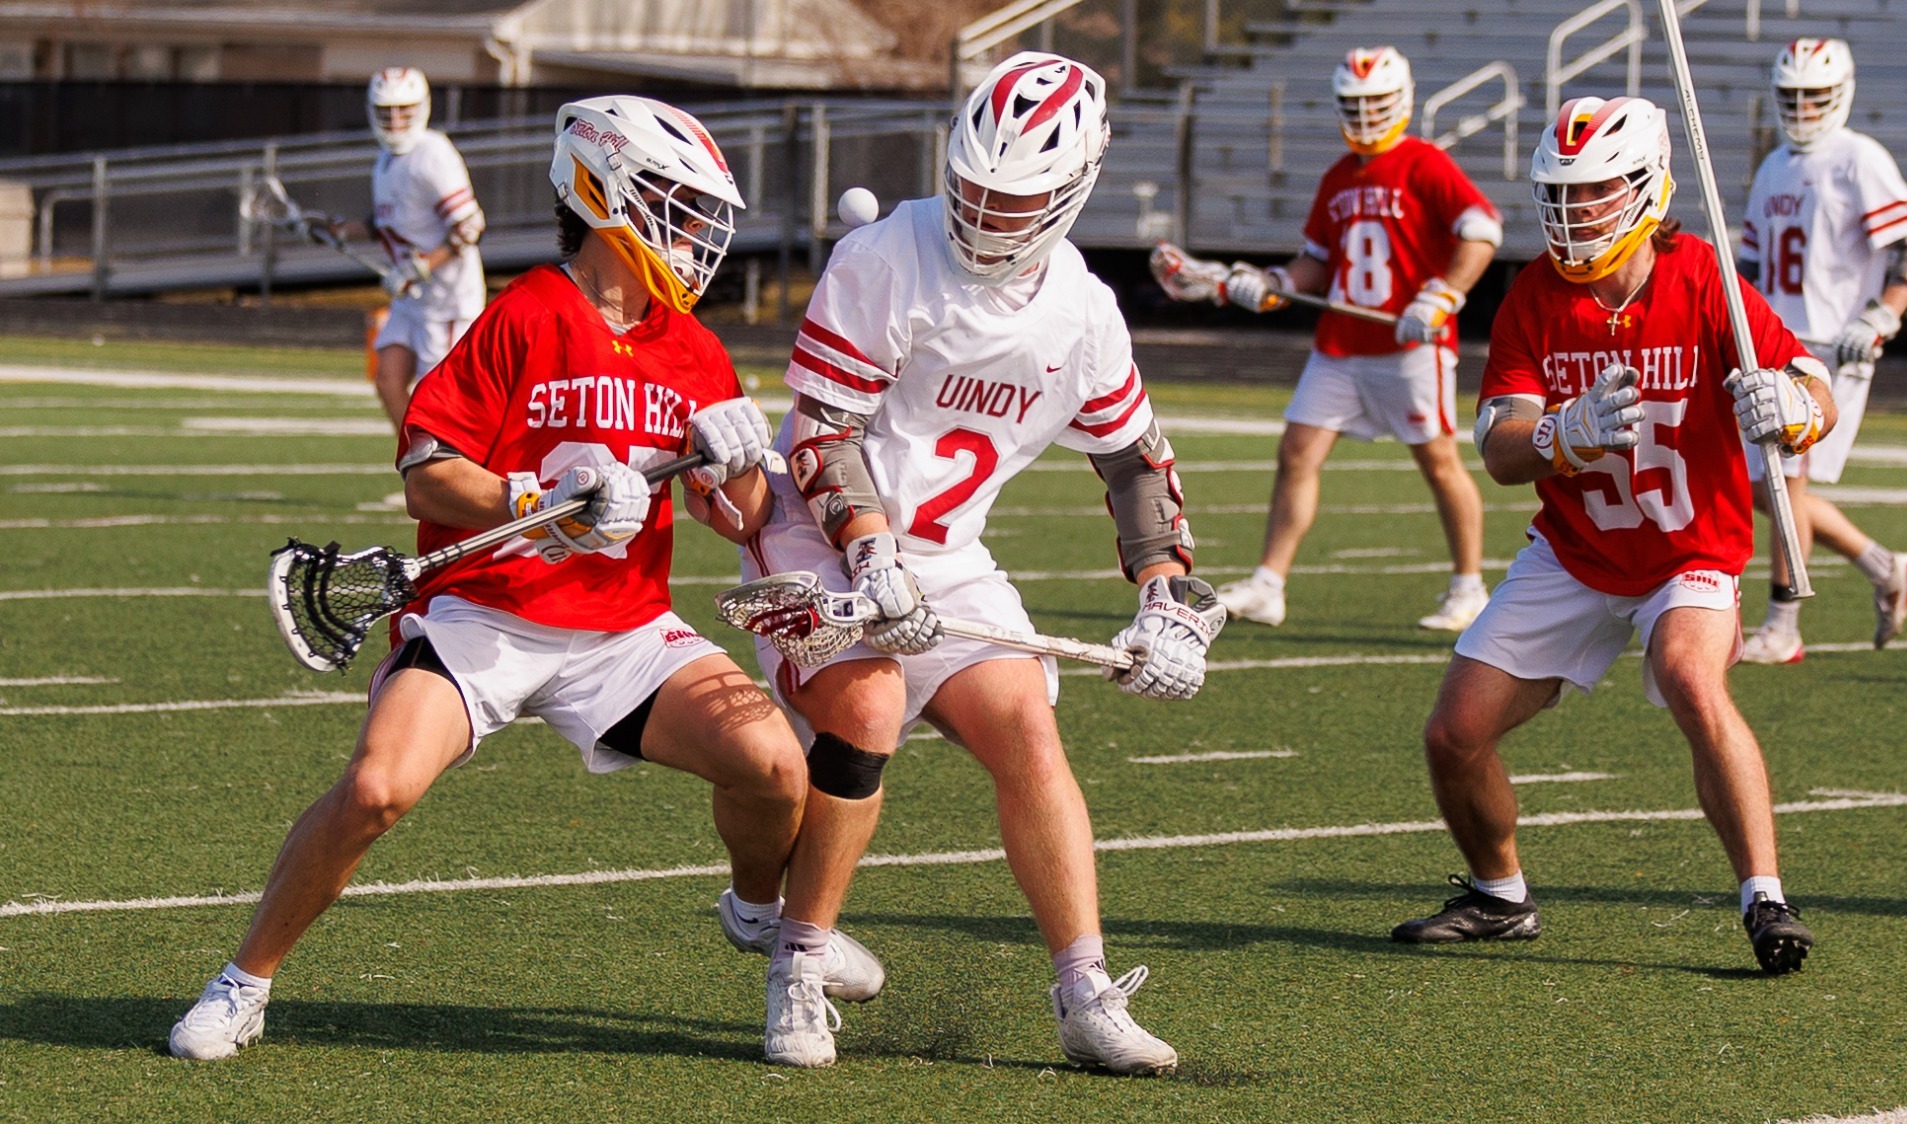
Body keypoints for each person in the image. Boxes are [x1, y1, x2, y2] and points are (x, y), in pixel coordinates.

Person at [167, 96, 879, 1061]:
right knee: (376, 786)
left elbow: (743, 516)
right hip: (486, 617)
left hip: (623, 630)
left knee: (774, 770)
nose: (698, 232)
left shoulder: (693, 347)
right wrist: (538, 497)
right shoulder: (524, 315)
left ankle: (757, 912)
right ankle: (242, 983)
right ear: (604, 192)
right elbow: (427, 468)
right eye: (675, 201)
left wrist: (736, 455)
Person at [741, 52, 1221, 1073]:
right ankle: (797, 953)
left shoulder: (1083, 310)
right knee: (867, 707)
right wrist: (869, 554)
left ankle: (1083, 987)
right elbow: (820, 436)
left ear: (1070, 190)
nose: (983, 213)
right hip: (819, 536)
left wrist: (1164, 598)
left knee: (1026, 728)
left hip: (945, 554)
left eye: (1013, 199)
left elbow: (1134, 462)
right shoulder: (887, 254)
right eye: (970, 186)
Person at [1393, 96, 1835, 975]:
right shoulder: (1533, 297)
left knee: (1689, 678)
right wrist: (1561, 434)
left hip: (1688, 549)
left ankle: (1765, 899)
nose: (1574, 213)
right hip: (1575, 548)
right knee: (1453, 734)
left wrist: (1795, 410)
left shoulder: (1702, 276)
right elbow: (1501, 449)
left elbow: (1808, 379)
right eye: (1561, 194)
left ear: (1646, 187)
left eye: (1594, 192)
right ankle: (1499, 896)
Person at [1213, 45, 1501, 633]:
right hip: (1341, 344)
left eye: (1376, 103)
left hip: (1409, 346)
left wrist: (1444, 294)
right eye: (1355, 104)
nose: (1366, 116)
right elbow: (1314, 264)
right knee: (1296, 452)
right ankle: (1269, 583)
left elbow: (1482, 229)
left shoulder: (1425, 163)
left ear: (1401, 100)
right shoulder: (1338, 176)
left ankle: (1469, 586)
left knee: (1440, 461)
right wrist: (1271, 284)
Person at [1736, 38, 1907, 662]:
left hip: (1827, 346)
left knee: (1784, 480)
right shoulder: (1774, 166)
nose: (1802, 107)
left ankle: (1783, 624)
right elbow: (1751, 265)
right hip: (1773, 341)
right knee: (1757, 487)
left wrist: (1885, 312)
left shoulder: (1857, 157)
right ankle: (1885, 568)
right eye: (1792, 96)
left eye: (1814, 95)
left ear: (1841, 93)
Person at [326, 68, 489, 427]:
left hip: (447, 302)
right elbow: (392, 221)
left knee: (442, 404)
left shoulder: (433, 153)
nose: (395, 120)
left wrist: (422, 266)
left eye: (404, 110)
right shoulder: (385, 160)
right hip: (412, 299)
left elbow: (470, 225)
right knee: (387, 380)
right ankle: (416, 463)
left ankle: (445, 470)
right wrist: (341, 230)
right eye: (387, 111)